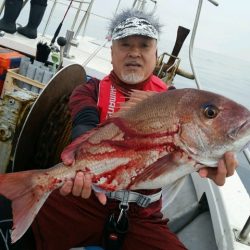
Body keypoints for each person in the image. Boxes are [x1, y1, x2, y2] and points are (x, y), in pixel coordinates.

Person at [0, 8, 238, 250]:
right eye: (125, 44)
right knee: (8, 228)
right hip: (84, 199)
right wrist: (82, 169)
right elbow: (84, 126)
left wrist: (211, 162)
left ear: (155, 54)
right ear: (111, 52)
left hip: (144, 215)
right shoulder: (88, 90)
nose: (134, 52)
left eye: (144, 45)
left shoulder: (174, 101)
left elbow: (185, 155)